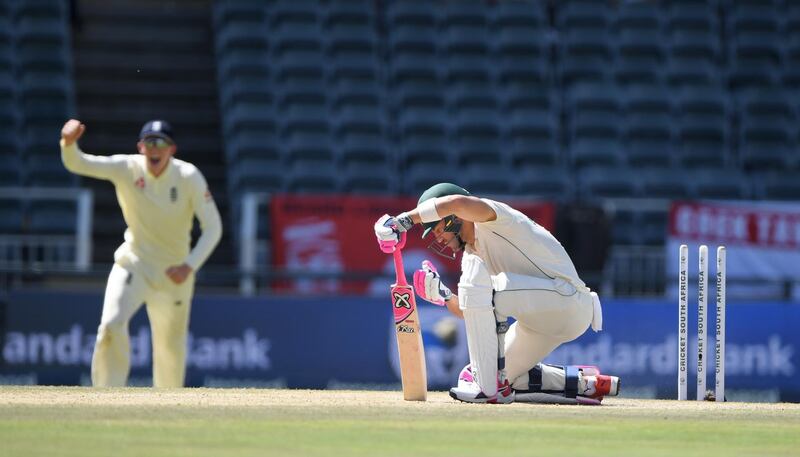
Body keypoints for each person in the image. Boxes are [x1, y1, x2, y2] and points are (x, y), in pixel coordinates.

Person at [374, 183, 619, 404]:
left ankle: (490, 389)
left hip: (568, 302)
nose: (438, 237)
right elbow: (472, 312)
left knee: (486, 376)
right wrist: (443, 296)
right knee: (474, 373)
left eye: (437, 228)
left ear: (454, 218)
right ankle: (584, 383)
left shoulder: (494, 218)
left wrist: (403, 221)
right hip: (538, 324)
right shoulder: (471, 257)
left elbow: (457, 203)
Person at [60, 118, 222, 388]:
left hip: (175, 273)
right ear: (140, 147)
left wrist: (189, 266)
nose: (155, 148)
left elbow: (213, 227)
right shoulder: (127, 168)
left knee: (170, 349)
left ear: (172, 149)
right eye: (149, 142)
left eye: (161, 143)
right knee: (111, 324)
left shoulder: (188, 176)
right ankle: (106, 396)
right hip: (134, 264)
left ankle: (167, 411)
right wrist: (68, 143)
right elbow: (79, 163)